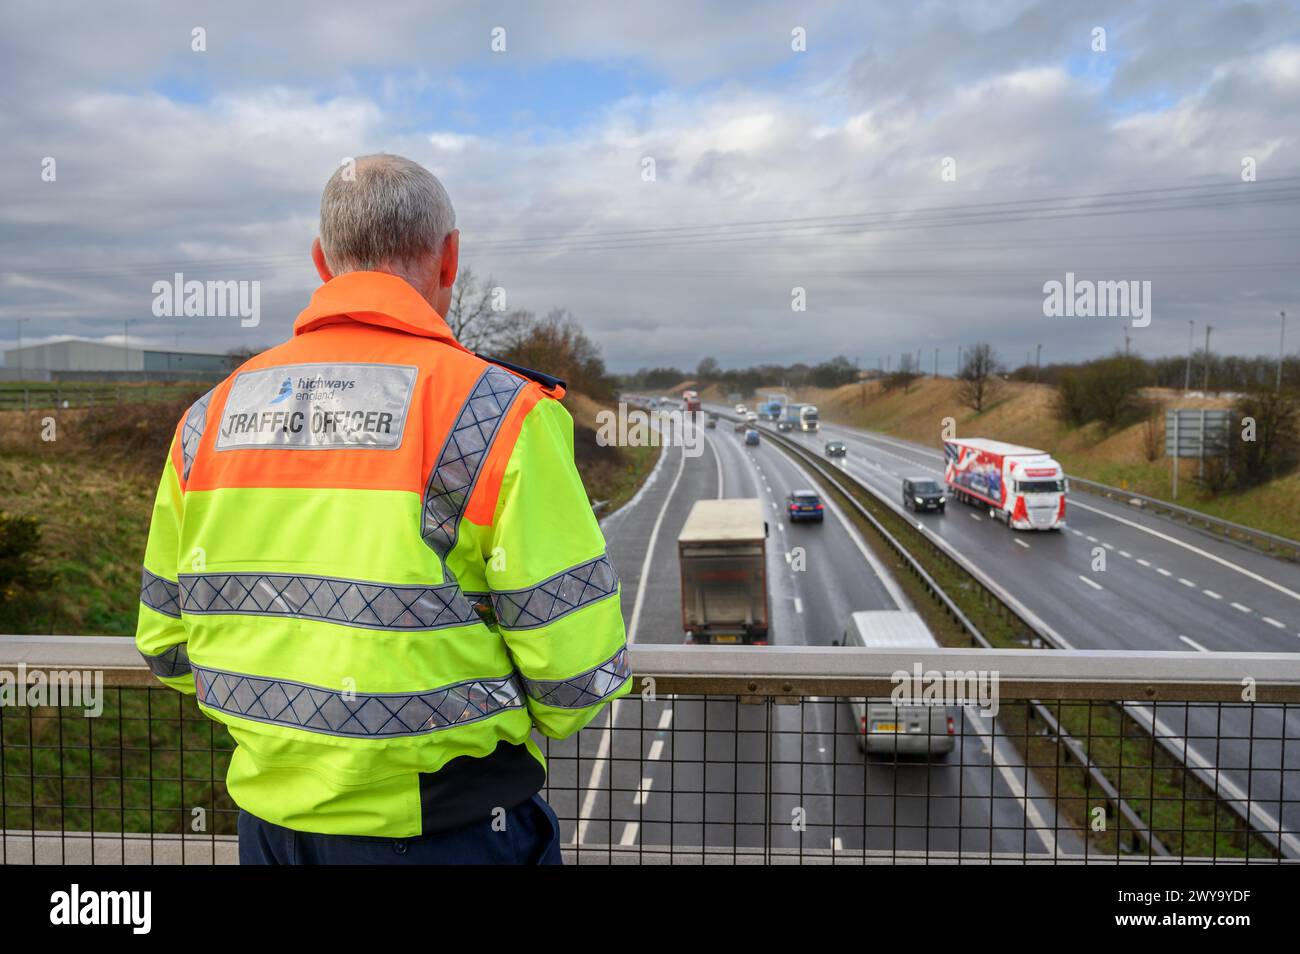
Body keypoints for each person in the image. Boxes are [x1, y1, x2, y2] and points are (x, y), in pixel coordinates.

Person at [135, 154, 630, 864]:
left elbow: (167, 645)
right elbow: (575, 676)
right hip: (447, 832)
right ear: (450, 258)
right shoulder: (500, 412)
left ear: (320, 262)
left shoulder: (206, 420)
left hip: (270, 832)